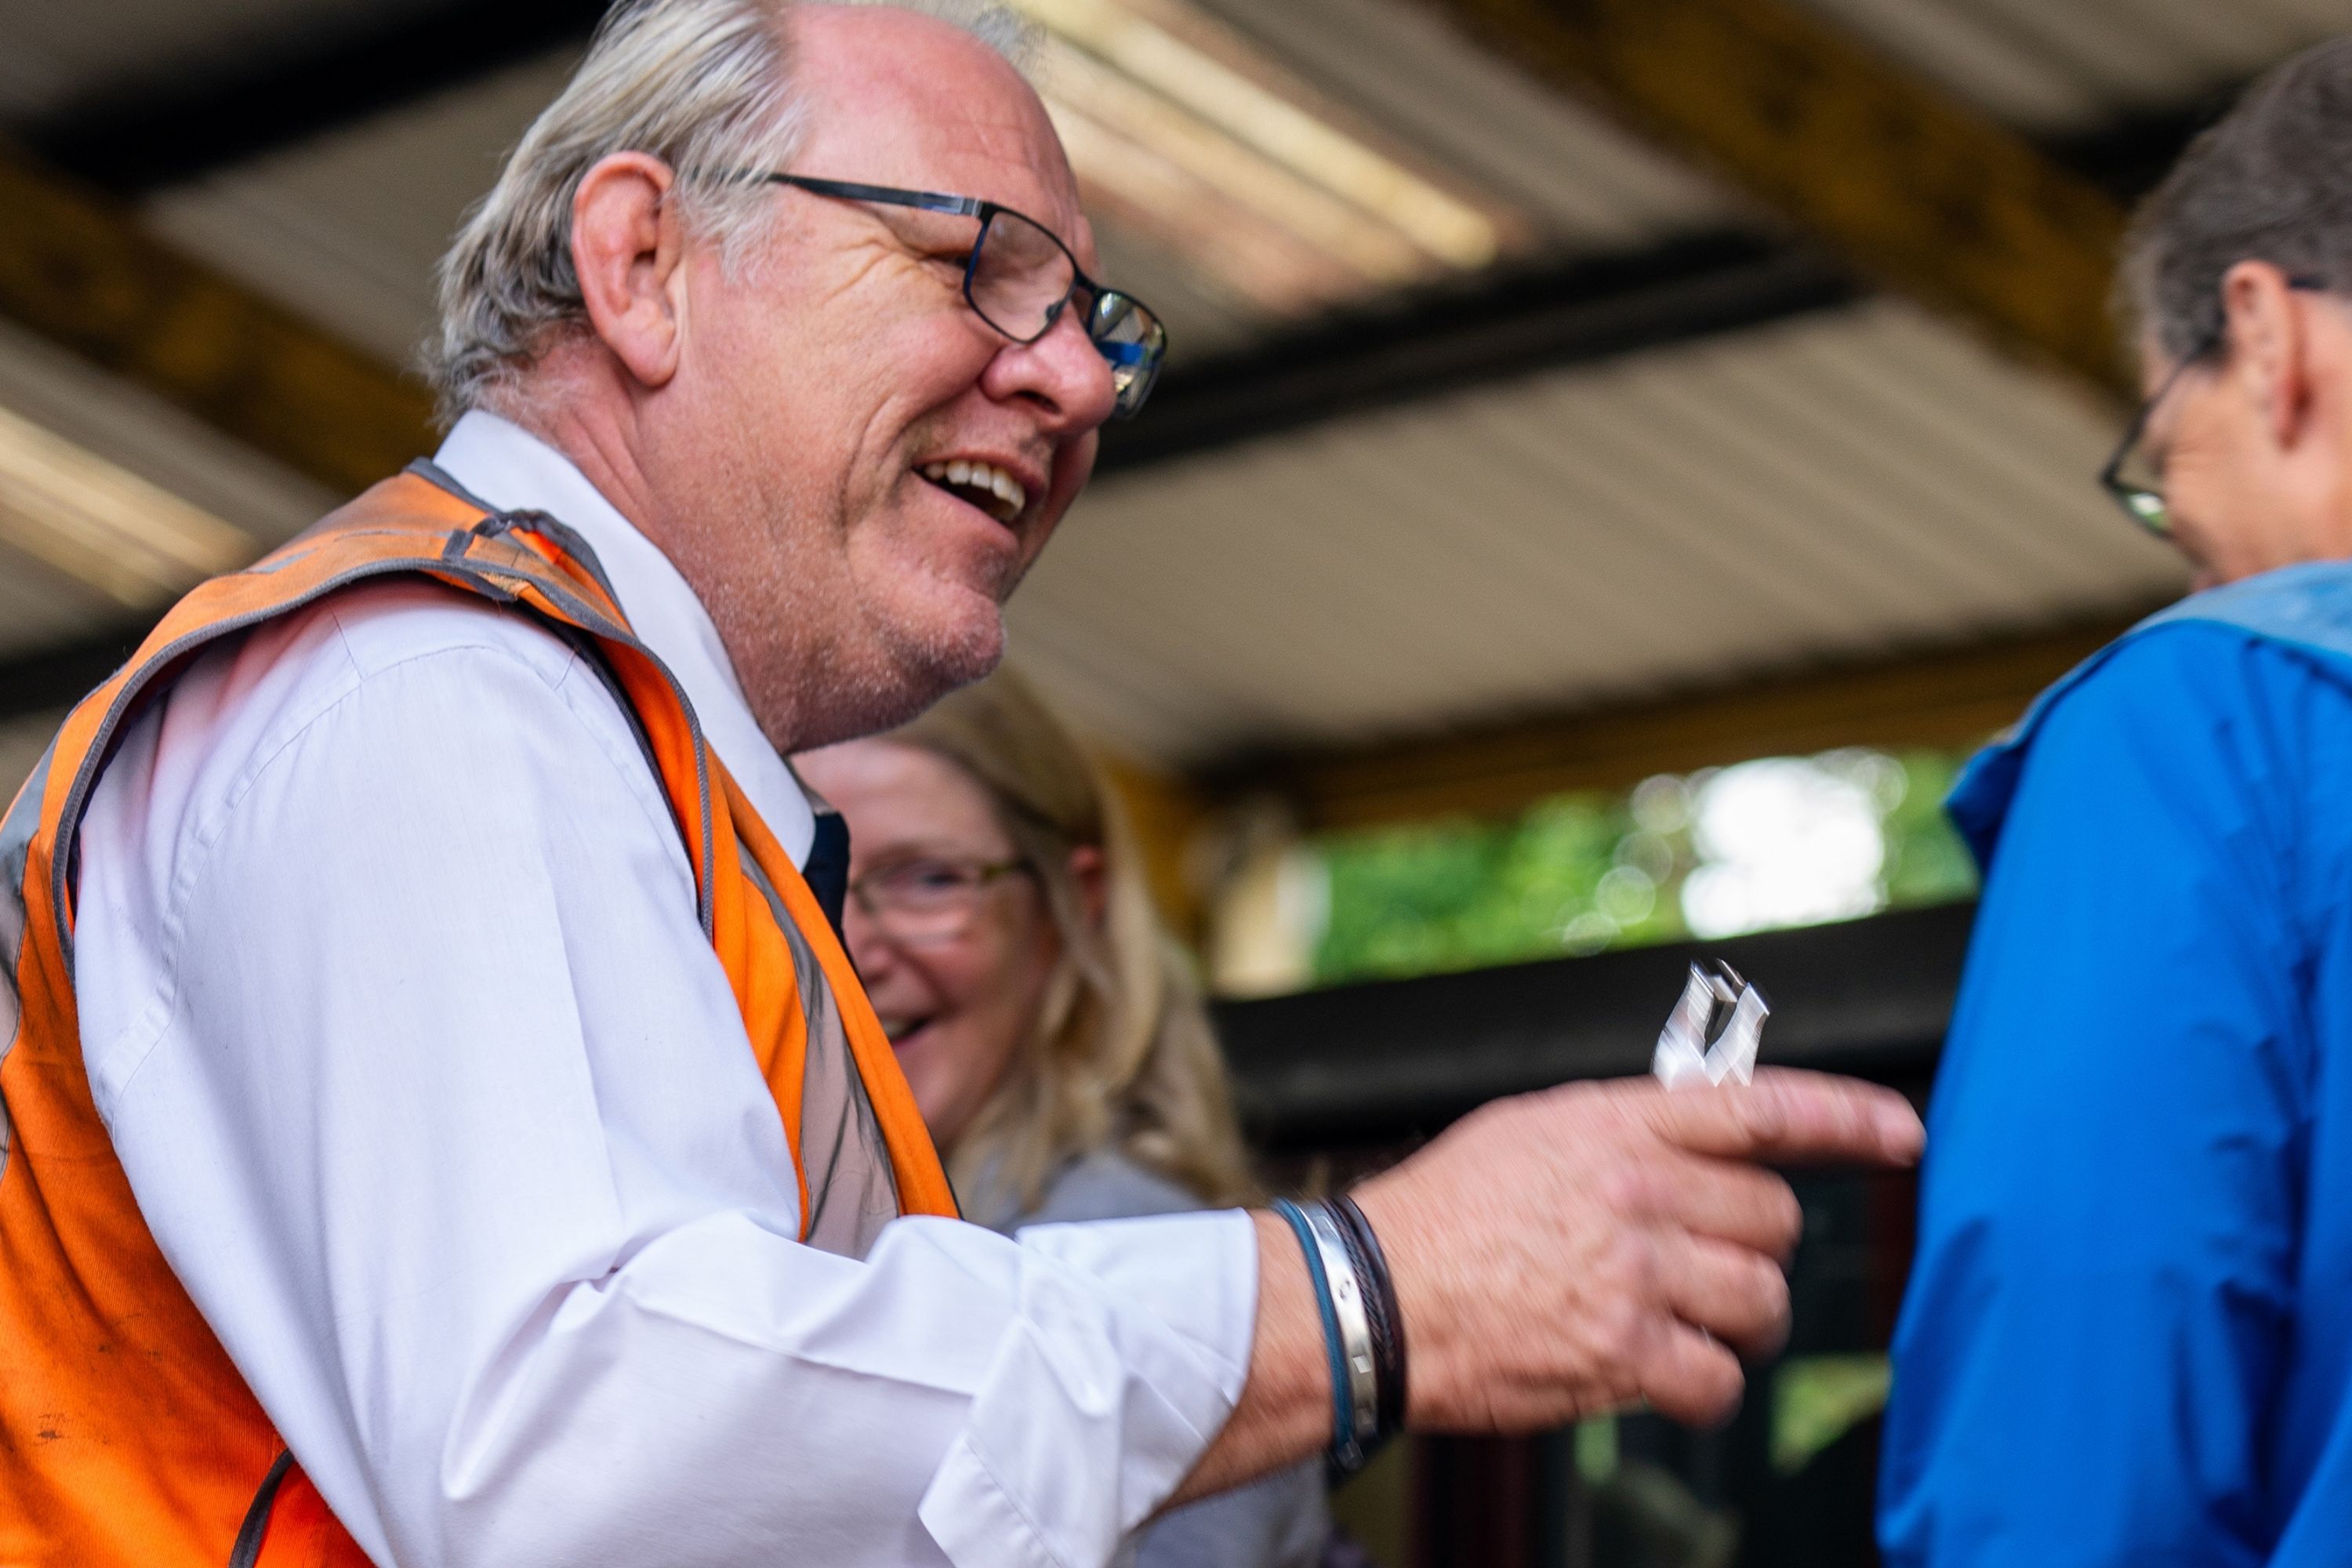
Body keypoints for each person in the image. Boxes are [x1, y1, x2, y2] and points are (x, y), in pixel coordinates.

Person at [0, 3, 1923, 1566]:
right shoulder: (430, 687)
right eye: (977, 266)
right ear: (643, 260)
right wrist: (1355, 1292)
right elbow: (582, 1459)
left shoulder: (608, 747)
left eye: (1097, 322)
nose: (1078, 381)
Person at [1879, 39, 2352, 1566]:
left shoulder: (2217, 723)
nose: (2185, 549)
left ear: (2265, 334)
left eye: (2160, 466)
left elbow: (2076, 1453)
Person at [798, 668, 1328, 1566]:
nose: (848, 948)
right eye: (813, 875)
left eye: (928, 879)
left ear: (1065, 909)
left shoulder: (1137, 1253)